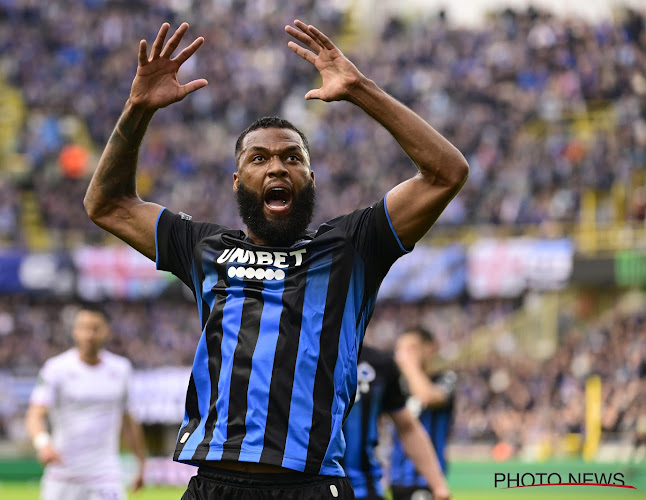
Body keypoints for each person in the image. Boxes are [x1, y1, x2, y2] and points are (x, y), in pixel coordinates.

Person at [84, 19, 467, 500]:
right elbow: (107, 204)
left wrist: (360, 89)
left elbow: (446, 173)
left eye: (291, 157)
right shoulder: (205, 249)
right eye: (258, 159)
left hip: (310, 486)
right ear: (237, 180)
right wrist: (137, 108)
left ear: (310, 176)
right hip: (214, 485)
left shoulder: (350, 246)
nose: (277, 166)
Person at [25, 304, 146, 500]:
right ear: (74, 331)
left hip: (105, 473)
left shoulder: (121, 369)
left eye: (95, 328)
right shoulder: (56, 368)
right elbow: (35, 414)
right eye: (84, 328)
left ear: (106, 331)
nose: (89, 334)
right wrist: (43, 444)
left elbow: (129, 420)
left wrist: (141, 463)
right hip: (62, 474)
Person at [343, 343, 449, 500]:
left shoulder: (379, 363)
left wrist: (438, 485)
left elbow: (407, 427)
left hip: (364, 489)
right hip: (308, 486)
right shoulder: (298, 354)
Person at [390, 326, 457, 500]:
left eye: (411, 348)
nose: (404, 355)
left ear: (429, 348)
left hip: (427, 481)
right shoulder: (397, 383)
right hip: (397, 479)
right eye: (400, 349)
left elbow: (426, 396)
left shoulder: (446, 378)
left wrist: (410, 367)